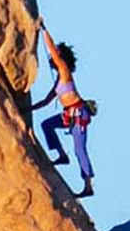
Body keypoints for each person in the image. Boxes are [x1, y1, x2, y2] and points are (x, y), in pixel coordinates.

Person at [31, 28, 98, 197]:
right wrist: (26, 109)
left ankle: (88, 186)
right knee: (46, 125)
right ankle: (61, 155)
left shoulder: (64, 71)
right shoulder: (58, 83)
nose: (52, 60)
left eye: (57, 56)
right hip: (69, 114)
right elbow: (46, 101)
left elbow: (53, 52)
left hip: (78, 114)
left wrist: (43, 31)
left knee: (79, 149)